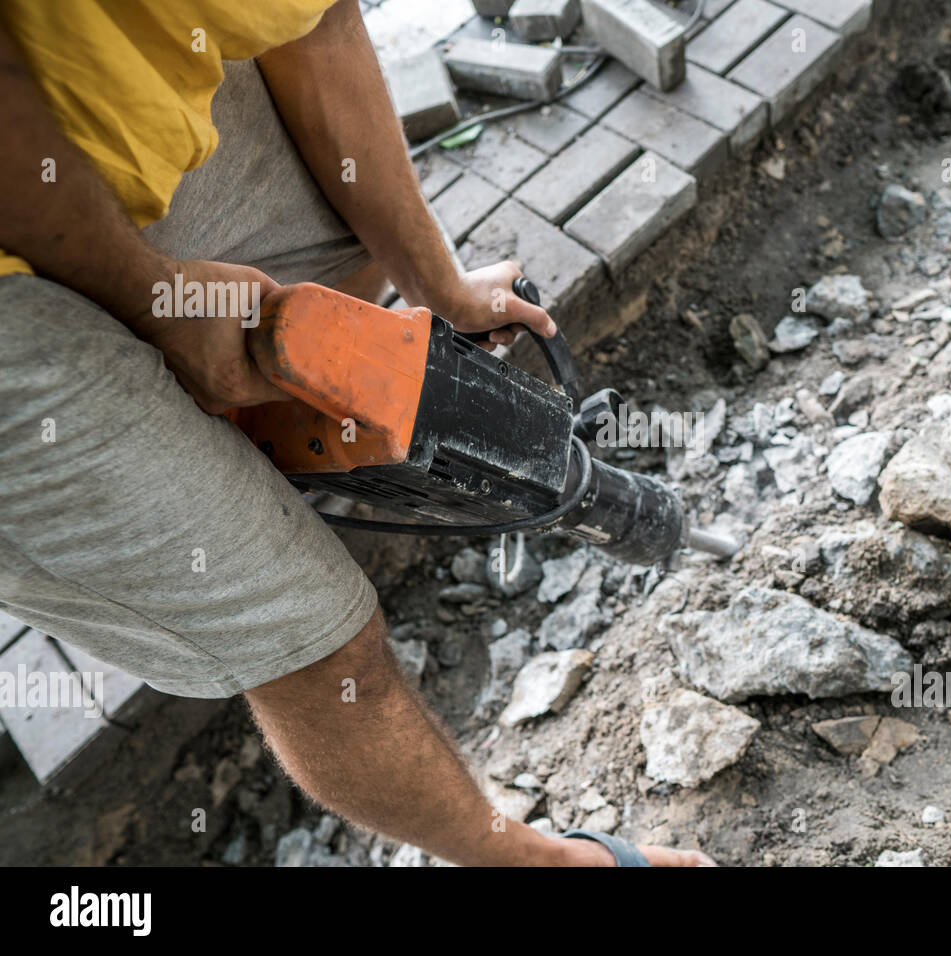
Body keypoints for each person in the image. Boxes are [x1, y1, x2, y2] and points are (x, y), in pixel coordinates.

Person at [0, 0, 713, 867]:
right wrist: (156, 298)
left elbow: (317, 21)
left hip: (79, 87)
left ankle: (225, 432)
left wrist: (436, 282)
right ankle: (535, 862)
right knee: (318, 640)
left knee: (348, 253)